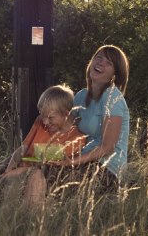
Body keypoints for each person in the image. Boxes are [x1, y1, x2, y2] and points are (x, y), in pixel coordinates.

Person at [55, 44, 129, 191]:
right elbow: (64, 129)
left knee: (58, 181)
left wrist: (71, 162)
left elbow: (108, 148)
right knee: (37, 169)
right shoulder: (81, 95)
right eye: (99, 58)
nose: (101, 63)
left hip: (106, 167)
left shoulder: (112, 98)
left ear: (114, 75)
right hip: (82, 160)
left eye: (109, 63)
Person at [0, 85, 86, 206]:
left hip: (33, 179)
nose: (45, 122)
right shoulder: (40, 122)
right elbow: (23, 148)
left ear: (66, 113)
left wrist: (17, 172)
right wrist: (9, 168)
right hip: (15, 173)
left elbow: (46, 167)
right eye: (42, 115)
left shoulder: (76, 138)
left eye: (50, 118)